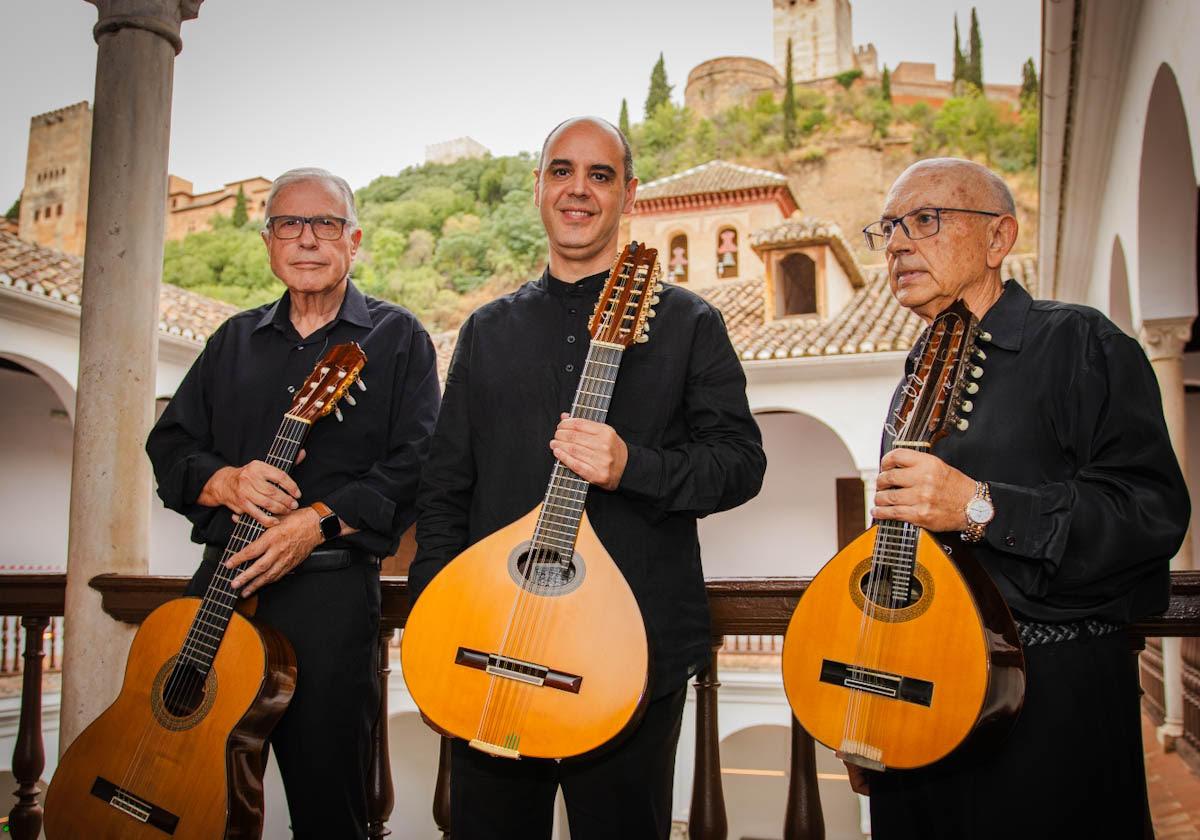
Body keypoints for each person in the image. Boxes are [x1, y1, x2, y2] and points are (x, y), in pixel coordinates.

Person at [408, 117, 767, 839]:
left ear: (627, 194)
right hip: (493, 646)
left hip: (632, 653)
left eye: (600, 175)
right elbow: (445, 490)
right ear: (537, 186)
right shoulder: (486, 331)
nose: (579, 189)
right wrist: (432, 623)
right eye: (562, 171)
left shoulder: (690, 323)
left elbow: (740, 462)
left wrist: (634, 465)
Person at [855, 157, 1190, 837]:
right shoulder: (914, 375)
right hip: (920, 706)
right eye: (888, 227)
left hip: (1051, 714)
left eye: (925, 220)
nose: (896, 243)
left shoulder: (1079, 342)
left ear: (999, 239)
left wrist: (980, 506)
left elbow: (1152, 514)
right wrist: (867, 696)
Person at [146, 167, 440, 838]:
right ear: (268, 241)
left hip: (330, 599)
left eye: (326, 224)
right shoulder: (231, 342)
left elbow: (418, 465)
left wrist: (316, 523)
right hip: (220, 582)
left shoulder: (398, 340)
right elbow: (171, 446)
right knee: (186, 776)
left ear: (354, 240)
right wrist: (224, 482)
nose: (307, 240)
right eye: (289, 224)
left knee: (328, 801)